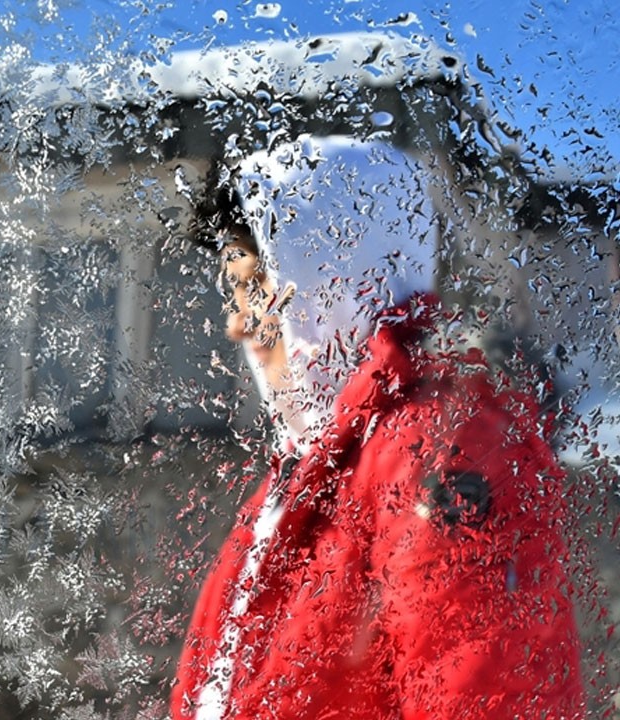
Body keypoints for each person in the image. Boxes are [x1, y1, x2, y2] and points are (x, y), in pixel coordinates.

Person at [170, 135, 586, 719]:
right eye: (234, 293)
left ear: (327, 280)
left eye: (255, 289)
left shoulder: (435, 448)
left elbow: (485, 697)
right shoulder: (310, 468)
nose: (238, 326)